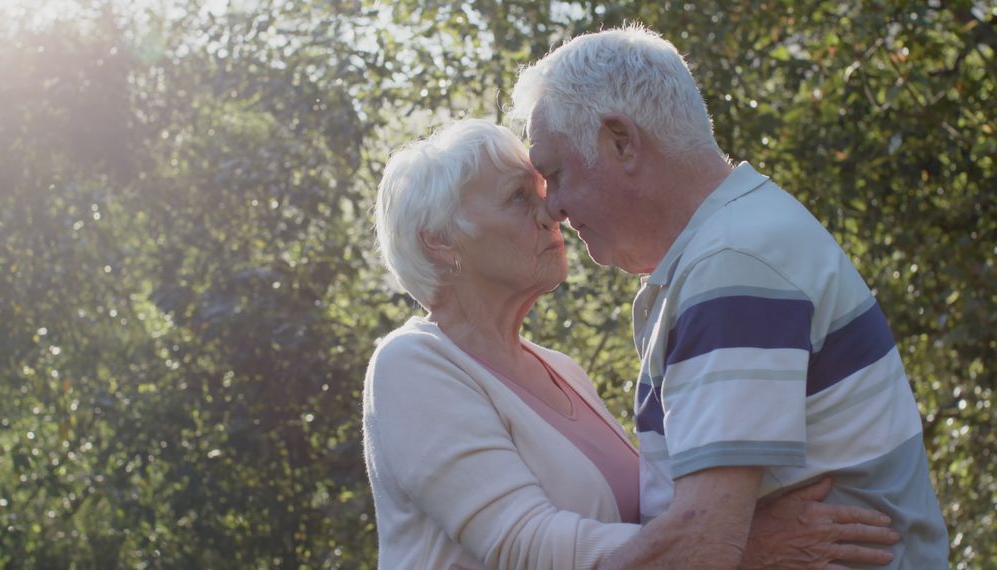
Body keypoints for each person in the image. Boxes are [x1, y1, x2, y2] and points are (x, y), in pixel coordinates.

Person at [363, 118, 900, 569]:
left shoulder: (564, 371)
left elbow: (650, 522)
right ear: (438, 241)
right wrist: (733, 545)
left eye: (545, 192)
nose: (553, 213)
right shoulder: (412, 364)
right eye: (517, 199)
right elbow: (525, 544)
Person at [508, 24, 949, 569]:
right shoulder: (728, 245)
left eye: (554, 172)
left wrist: (727, 540)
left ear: (621, 141)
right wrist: (742, 540)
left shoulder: (732, 265)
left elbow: (702, 547)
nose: (552, 208)